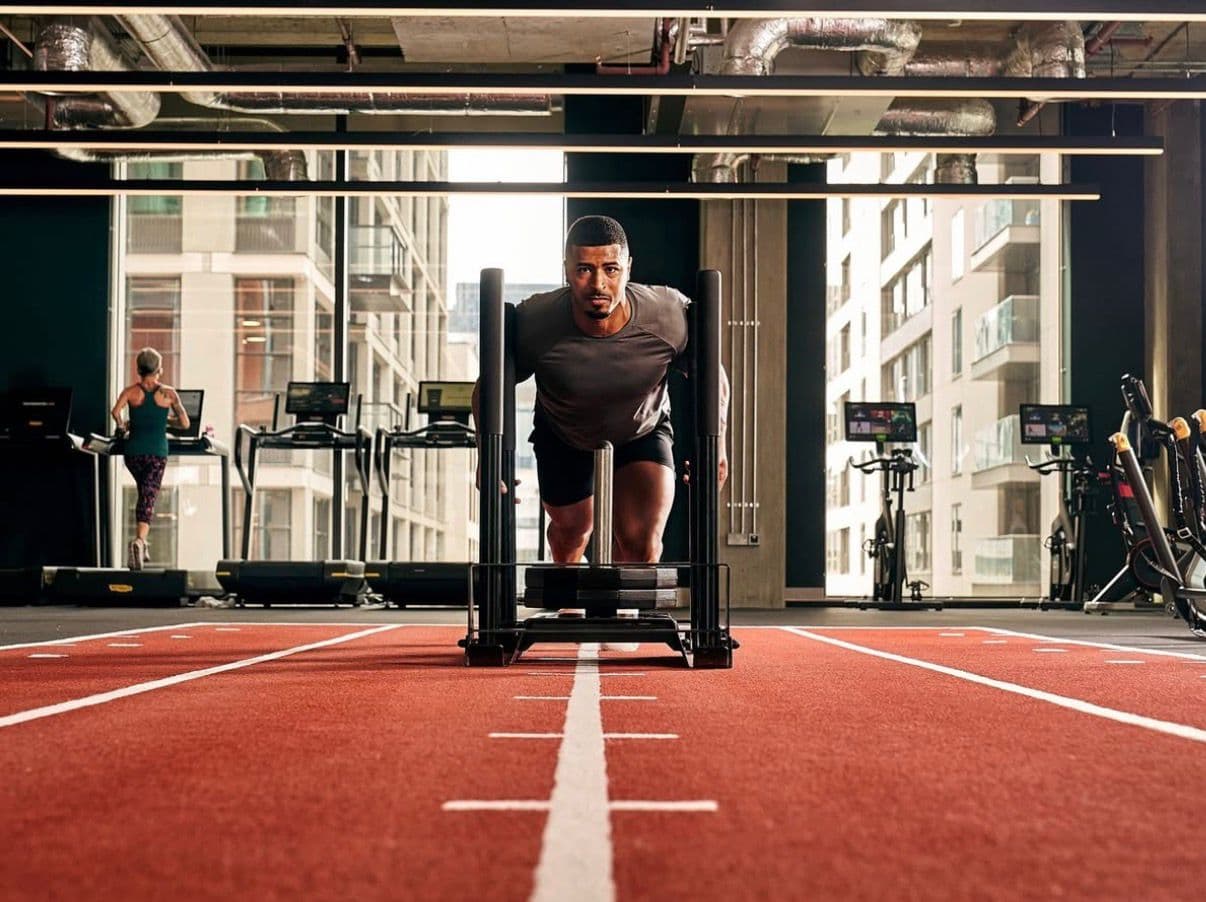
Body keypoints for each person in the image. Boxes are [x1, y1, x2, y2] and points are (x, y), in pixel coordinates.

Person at [476, 214, 728, 566]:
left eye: (611, 269)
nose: (598, 284)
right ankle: (570, 601)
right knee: (573, 531)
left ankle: (628, 619)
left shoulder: (666, 315)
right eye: (584, 270)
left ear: (628, 268)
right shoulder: (535, 322)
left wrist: (718, 446)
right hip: (563, 432)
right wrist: (487, 458)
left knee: (642, 545)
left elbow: (712, 376)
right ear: (566, 269)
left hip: (641, 428)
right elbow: (490, 385)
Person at [110, 347, 190, 570]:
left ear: (138, 369)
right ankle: (139, 541)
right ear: (159, 370)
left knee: (145, 493)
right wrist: (166, 422)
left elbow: (115, 411)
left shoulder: (130, 392)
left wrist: (122, 425)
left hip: (133, 454)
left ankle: (143, 543)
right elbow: (185, 424)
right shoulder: (169, 394)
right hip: (156, 454)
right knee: (149, 496)